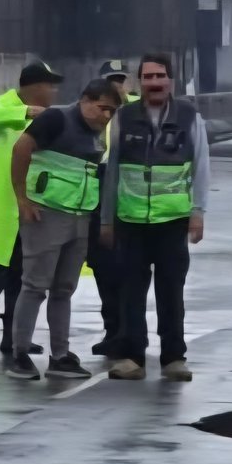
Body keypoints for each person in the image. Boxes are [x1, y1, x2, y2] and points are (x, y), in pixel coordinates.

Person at [100, 52, 210, 382]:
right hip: (130, 221)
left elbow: (201, 167)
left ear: (170, 81)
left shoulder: (190, 117)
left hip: (173, 223)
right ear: (140, 82)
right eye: (148, 77)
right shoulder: (123, 117)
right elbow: (112, 170)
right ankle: (133, 357)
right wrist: (107, 219)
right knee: (131, 292)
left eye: (160, 76)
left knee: (171, 292)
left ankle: (173, 358)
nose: (154, 83)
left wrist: (198, 213)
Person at [6, 78, 119, 380]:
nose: (106, 116)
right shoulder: (55, 118)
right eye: (102, 108)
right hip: (46, 215)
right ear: (85, 100)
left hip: (80, 217)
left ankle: (60, 356)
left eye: (112, 112)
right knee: (34, 286)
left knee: (63, 289)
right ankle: (19, 354)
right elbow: (21, 150)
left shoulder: (98, 135)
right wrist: (22, 198)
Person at [0, 61, 63, 357]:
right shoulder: (3, 106)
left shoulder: (50, 118)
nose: (53, 92)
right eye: (50, 85)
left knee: (23, 279)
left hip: (30, 208)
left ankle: (14, 337)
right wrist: (27, 113)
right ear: (34, 86)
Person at [86, 65, 138, 360]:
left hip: (127, 202)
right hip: (97, 198)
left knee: (127, 273)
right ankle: (112, 331)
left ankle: (128, 333)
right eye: (111, 81)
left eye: (120, 81)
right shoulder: (94, 112)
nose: (116, 86)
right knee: (104, 270)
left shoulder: (137, 111)